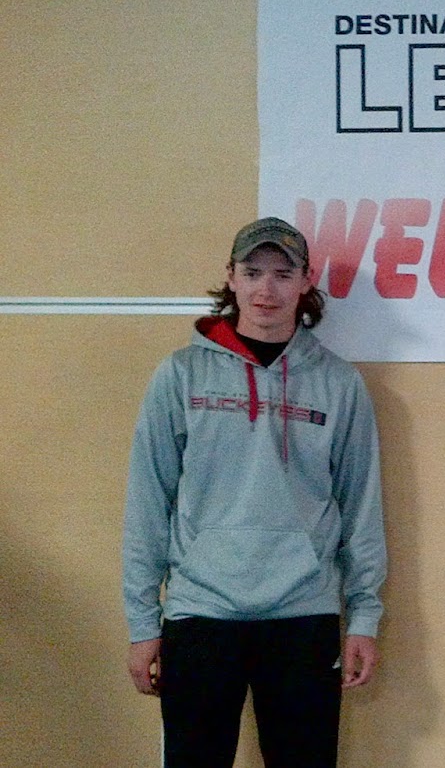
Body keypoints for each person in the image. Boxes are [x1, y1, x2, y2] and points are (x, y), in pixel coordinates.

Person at [122, 216, 387, 767]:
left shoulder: (339, 384)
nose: (267, 289)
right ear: (232, 277)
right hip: (200, 613)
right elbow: (148, 502)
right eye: (253, 272)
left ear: (305, 282)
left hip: (304, 614)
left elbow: (361, 506)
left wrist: (364, 616)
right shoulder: (181, 375)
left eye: (283, 274)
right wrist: (143, 622)